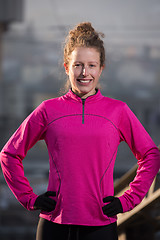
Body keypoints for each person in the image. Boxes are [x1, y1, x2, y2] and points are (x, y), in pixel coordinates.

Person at [0, 22, 160, 240]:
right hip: (53, 226)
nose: (85, 73)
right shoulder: (48, 110)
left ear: (101, 68)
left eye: (92, 65)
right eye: (78, 65)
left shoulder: (118, 111)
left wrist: (127, 200)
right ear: (67, 67)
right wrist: (30, 198)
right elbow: (9, 154)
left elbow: (151, 155)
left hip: (100, 227)